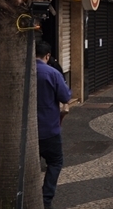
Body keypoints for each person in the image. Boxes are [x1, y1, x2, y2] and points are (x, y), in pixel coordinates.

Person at [36, 41, 72, 209]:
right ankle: (46, 198)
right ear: (48, 56)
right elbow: (65, 97)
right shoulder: (52, 73)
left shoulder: (21, 71)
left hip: (28, 132)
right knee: (55, 162)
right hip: (49, 128)